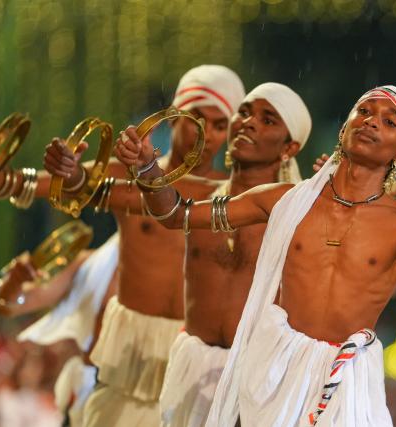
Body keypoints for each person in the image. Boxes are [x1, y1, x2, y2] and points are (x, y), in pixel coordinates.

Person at [115, 85, 396, 426]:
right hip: (272, 369)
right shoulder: (282, 200)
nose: (372, 122)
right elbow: (176, 214)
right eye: (365, 112)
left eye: (389, 122)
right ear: (345, 127)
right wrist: (149, 171)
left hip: (344, 381)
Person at [42, 64, 245, 426]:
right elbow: (77, 185)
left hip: (197, 351)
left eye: (220, 126)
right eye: (198, 120)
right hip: (129, 350)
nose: (209, 135)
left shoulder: (238, 197)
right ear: (173, 117)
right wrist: (67, 170)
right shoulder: (127, 174)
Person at [142, 82, 310, 427]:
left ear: (289, 147)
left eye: (268, 120)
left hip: (256, 379)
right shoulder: (196, 196)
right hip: (193, 370)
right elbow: (157, 207)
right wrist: (144, 164)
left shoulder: (300, 211)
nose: (248, 122)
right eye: (245, 112)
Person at [0, 232, 119, 426]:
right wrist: (14, 284)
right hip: (92, 406)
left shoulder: (179, 262)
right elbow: (12, 303)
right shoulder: (96, 265)